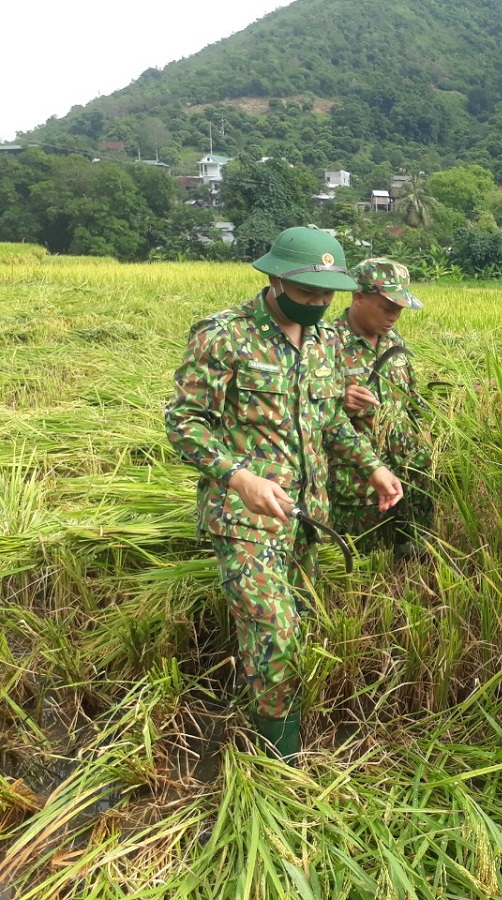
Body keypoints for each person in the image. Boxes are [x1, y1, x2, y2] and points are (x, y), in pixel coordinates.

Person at [164, 225, 404, 763]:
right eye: (306, 293)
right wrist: (239, 477)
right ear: (275, 280)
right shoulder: (224, 335)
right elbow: (185, 422)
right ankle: (280, 764)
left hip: (306, 516)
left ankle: (267, 707)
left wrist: (373, 466)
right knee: (277, 630)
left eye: (327, 296)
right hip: (245, 516)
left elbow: (329, 420)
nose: (317, 305)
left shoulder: (322, 342)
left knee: (298, 626)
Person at [328, 258, 433, 554]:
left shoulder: (392, 340)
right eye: (387, 307)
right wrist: (340, 400)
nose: (394, 316)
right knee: (363, 562)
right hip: (357, 482)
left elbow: (413, 396)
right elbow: (308, 412)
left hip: (409, 472)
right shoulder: (327, 344)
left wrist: (425, 439)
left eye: (399, 308)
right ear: (358, 297)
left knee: (413, 555)